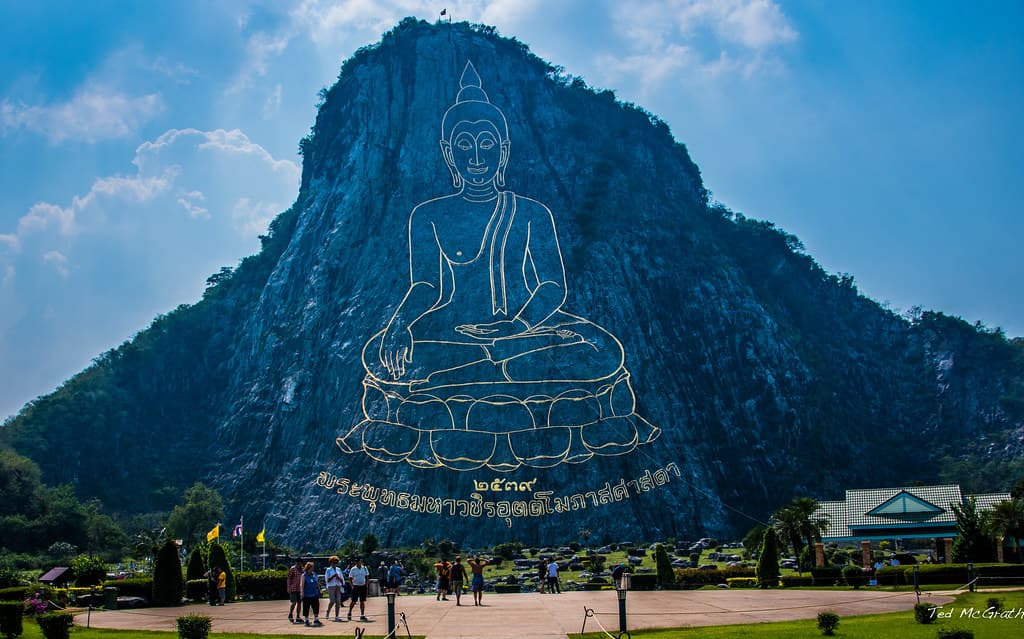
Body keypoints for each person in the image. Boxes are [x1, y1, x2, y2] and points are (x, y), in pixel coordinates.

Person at [338, 60, 660, 471]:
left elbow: (551, 287)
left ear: (504, 150)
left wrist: (517, 328)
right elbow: (427, 286)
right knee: (382, 352)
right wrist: (400, 323)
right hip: (457, 335)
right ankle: (498, 380)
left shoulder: (531, 212)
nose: (476, 156)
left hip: (526, 333)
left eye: (487, 144)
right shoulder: (428, 214)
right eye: (464, 145)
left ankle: (476, 382)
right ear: (448, 153)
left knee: (602, 351)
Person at [347, 557, 370, 622]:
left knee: (362, 601)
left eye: (358, 561)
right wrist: (352, 586)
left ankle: (362, 615)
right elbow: (350, 578)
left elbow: (367, 576)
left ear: (361, 561)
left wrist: (366, 585)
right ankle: (349, 612)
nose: (357, 562)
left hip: (363, 586)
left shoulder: (364, 568)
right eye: (356, 561)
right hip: (356, 586)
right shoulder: (353, 569)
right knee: (353, 601)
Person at [325, 556, 346, 622]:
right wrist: (333, 576)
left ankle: (337, 616)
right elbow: (327, 580)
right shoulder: (328, 570)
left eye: (336, 562)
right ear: (331, 563)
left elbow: (342, 580)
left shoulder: (338, 569)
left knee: (338, 601)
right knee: (332, 601)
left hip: (338, 585)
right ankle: (328, 611)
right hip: (331, 586)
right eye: (334, 562)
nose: (335, 564)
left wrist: (339, 578)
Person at [301, 561, 322, 626]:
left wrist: (319, 590)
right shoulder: (304, 575)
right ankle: (306, 620)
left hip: (314, 594)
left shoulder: (314, 574)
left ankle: (316, 619)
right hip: (307, 594)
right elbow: (302, 584)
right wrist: (302, 592)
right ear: (308, 568)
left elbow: (317, 583)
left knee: (316, 606)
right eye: (312, 567)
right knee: (306, 607)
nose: (313, 569)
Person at [287, 558, 304, 623]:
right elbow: (288, 579)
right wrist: (288, 587)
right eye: (299, 563)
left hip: (300, 589)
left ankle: (298, 616)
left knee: (299, 603)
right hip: (293, 588)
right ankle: (290, 613)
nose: (300, 564)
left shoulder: (302, 569)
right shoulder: (292, 569)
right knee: (294, 602)